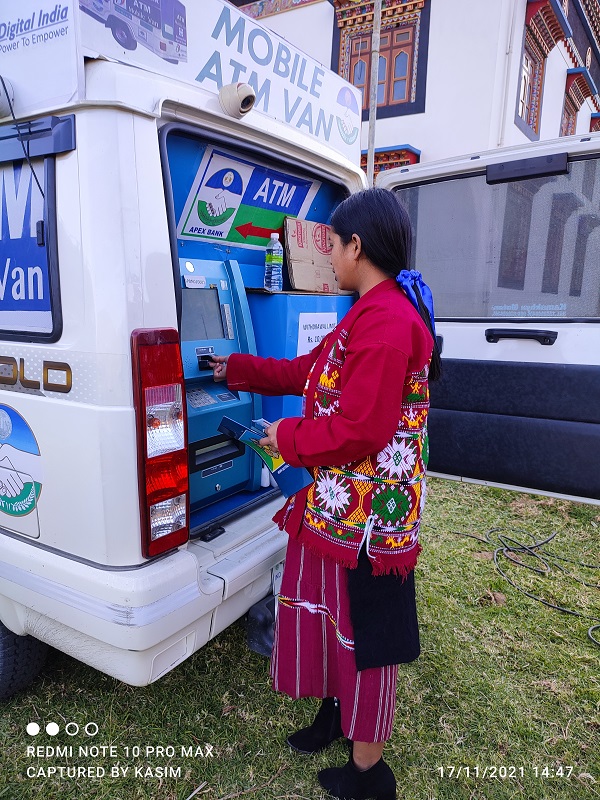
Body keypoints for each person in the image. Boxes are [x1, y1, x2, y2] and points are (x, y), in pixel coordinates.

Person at [210, 187, 440, 800]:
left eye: (334, 244)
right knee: (328, 614)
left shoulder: (389, 323)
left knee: (366, 633)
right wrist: (231, 368)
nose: (330, 255)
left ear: (356, 247)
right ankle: (336, 716)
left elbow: (360, 429)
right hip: (338, 506)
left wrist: (286, 436)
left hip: (371, 523)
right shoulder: (367, 311)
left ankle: (368, 771)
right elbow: (302, 372)